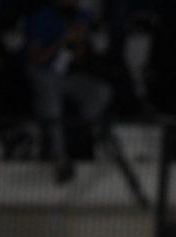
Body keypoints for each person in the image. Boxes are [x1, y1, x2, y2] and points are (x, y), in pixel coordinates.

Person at [26, 0, 113, 183]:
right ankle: (59, 157)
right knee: (51, 103)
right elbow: (35, 59)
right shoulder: (43, 16)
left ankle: (78, 135)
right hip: (43, 73)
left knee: (101, 92)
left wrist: (80, 43)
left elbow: (86, 52)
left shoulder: (82, 15)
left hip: (68, 76)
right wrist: (63, 40)